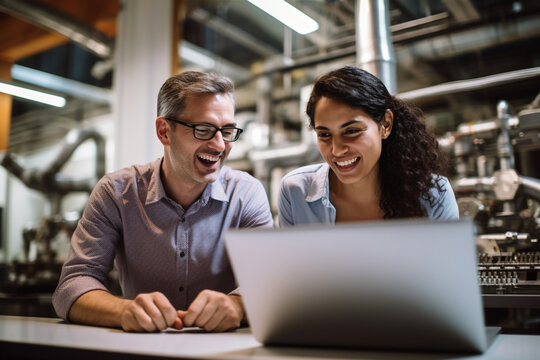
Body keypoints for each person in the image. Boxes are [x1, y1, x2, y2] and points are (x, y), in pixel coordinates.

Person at [53, 71, 273, 332]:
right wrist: (124, 310)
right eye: (203, 130)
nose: (219, 145)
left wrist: (237, 305)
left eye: (227, 131)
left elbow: (268, 282)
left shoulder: (246, 194)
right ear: (164, 131)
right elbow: (72, 285)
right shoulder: (116, 193)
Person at [278, 66, 458, 226]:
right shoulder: (296, 192)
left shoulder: (433, 194)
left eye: (352, 131)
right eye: (324, 135)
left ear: (385, 125)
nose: (337, 150)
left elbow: (450, 264)